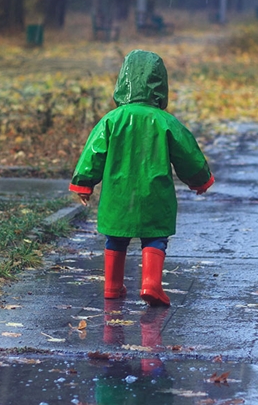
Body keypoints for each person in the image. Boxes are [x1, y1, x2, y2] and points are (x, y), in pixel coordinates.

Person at [69, 50, 214, 307]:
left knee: (116, 237)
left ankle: (112, 286)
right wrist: (199, 179)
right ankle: (151, 284)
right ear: (160, 84)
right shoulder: (165, 121)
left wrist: (84, 182)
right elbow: (187, 153)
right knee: (155, 237)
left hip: (118, 193)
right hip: (154, 192)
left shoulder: (111, 120)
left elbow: (94, 152)